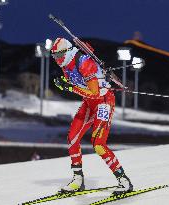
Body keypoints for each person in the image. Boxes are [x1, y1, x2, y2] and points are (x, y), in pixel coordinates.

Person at [51, 38, 133, 195]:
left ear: (67, 52)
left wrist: (70, 88)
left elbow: (95, 93)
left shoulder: (83, 62)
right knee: (72, 138)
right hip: (89, 103)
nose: (57, 60)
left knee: (98, 144)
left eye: (59, 55)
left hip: (103, 101)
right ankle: (78, 180)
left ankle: (124, 181)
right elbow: (78, 85)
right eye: (54, 56)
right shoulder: (65, 65)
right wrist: (64, 83)